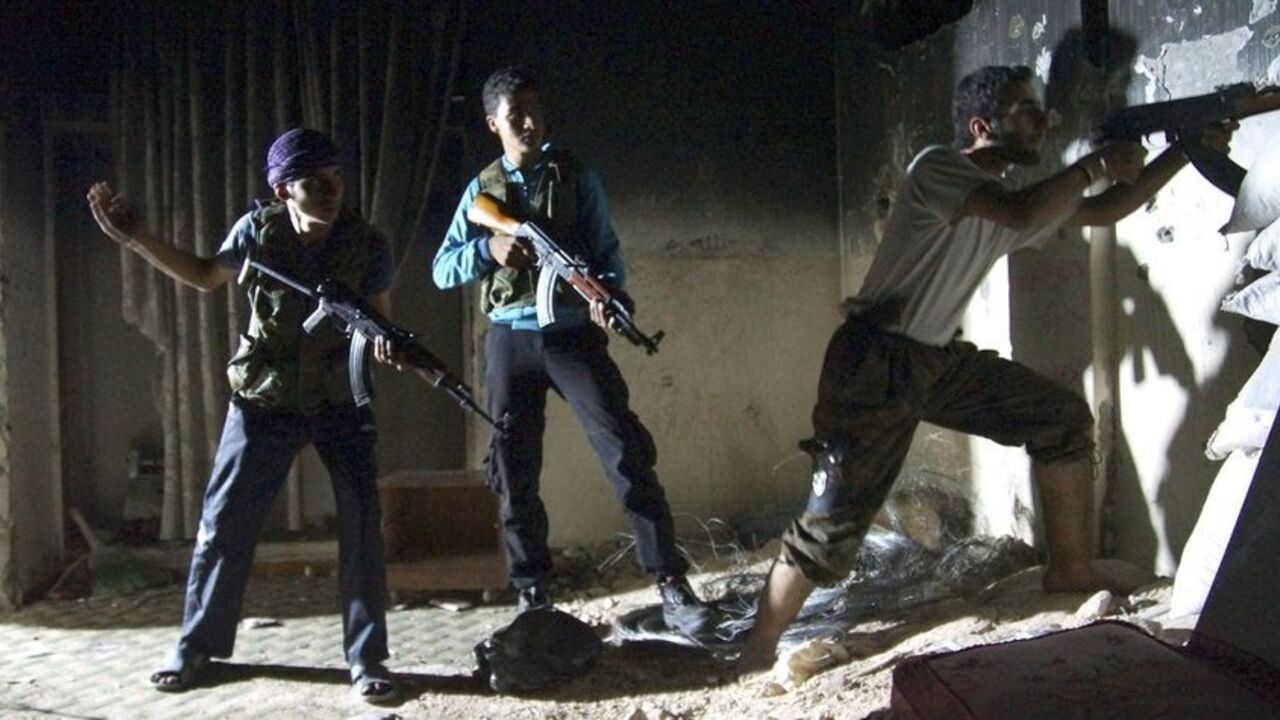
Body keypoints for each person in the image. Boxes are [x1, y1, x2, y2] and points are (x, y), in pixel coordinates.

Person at [735, 65, 1234, 675]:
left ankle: (1070, 567)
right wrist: (1095, 164)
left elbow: (1104, 213)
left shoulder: (1006, 202)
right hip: (874, 361)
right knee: (832, 524)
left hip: (936, 358)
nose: (1043, 122)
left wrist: (1185, 151)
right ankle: (758, 645)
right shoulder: (939, 168)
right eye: (1027, 111)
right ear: (982, 126)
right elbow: (1025, 212)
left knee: (1060, 420)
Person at [87, 128, 401, 703]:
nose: (331, 193)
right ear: (283, 190)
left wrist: (381, 339)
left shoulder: (367, 242)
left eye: (336, 180)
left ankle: (368, 657)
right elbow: (206, 275)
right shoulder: (257, 231)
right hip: (265, 396)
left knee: (361, 529)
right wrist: (136, 239)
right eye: (314, 183)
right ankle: (194, 645)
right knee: (224, 522)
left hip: (338, 398)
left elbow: (382, 317)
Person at [432, 66, 712, 635]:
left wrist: (607, 297)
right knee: (514, 469)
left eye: (536, 111)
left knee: (625, 448)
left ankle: (668, 580)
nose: (530, 123)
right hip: (510, 336)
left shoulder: (575, 175)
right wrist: (489, 247)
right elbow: (442, 269)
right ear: (494, 124)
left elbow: (606, 252)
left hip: (570, 332)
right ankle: (532, 592)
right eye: (516, 117)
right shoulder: (481, 191)